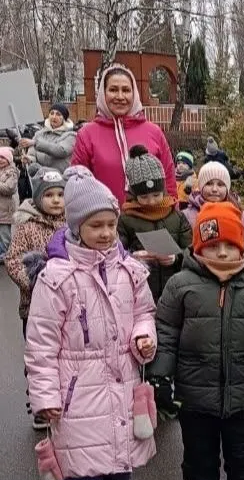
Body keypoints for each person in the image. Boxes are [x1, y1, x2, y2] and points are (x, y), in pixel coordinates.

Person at [25, 166, 157, 480]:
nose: (105, 233)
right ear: (76, 226)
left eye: (110, 225)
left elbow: (144, 312)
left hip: (122, 384)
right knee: (82, 473)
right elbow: (41, 344)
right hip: (77, 394)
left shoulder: (129, 270)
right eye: (95, 225)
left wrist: (143, 336)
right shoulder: (57, 278)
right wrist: (45, 398)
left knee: (118, 466)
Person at [148, 202, 244, 480]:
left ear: (242, 246)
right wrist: (160, 377)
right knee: (199, 459)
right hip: (195, 396)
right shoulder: (180, 285)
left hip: (242, 396)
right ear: (199, 246)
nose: (222, 252)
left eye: (230, 245)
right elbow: (166, 331)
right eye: (214, 245)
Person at [5, 169, 66, 429]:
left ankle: (62, 398)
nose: (56, 200)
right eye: (49, 195)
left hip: (65, 303)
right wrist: (32, 282)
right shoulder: (27, 227)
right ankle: (40, 403)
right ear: (39, 197)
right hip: (34, 306)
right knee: (39, 355)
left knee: (64, 353)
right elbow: (13, 259)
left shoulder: (72, 225)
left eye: (60, 194)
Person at [71, 64, 175, 204]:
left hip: (151, 216)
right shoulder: (87, 134)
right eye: (113, 90)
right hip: (105, 216)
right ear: (103, 93)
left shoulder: (154, 132)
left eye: (126, 90)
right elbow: (77, 186)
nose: (120, 96)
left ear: (134, 93)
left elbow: (169, 181)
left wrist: (173, 214)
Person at [117, 145, 192, 303]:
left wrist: (176, 258)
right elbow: (116, 254)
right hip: (141, 293)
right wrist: (133, 257)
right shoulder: (126, 220)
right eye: (144, 197)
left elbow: (192, 251)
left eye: (156, 195)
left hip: (175, 291)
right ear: (134, 194)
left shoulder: (177, 217)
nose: (151, 202)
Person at [184, 161, 244, 279]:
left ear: (227, 188)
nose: (214, 189)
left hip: (234, 275)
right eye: (209, 184)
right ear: (201, 186)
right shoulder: (188, 215)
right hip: (199, 277)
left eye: (220, 184)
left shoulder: (238, 214)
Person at [22, 103, 76, 178]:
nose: (54, 117)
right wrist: (29, 160)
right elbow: (32, 155)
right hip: (39, 178)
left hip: (59, 178)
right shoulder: (39, 134)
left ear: (64, 118)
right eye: (52, 113)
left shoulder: (70, 135)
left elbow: (61, 151)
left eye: (58, 114)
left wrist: (36, 143)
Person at [0, 146, 19, 264]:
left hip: (5, 209)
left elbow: (9, 188)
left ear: (9, 159)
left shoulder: (12, 173)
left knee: (4, 234)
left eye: (3, 157)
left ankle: (6, 254)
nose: (0, 160)